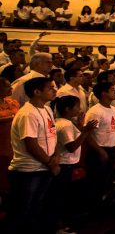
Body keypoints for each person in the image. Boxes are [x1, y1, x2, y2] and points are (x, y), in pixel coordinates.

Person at [8, 76, 59, 233]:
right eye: (50, 88)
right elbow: (31, 144)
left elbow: (52, 135)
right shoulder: (27, 113)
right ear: (37, 92)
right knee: (23, 211)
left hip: (44, 166)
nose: (54, 90)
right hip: (29, 170)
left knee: (37, 207)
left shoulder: (47, 108)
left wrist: (55, 158)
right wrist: (51, 162)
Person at [54, 95, 97, 230]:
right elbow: (71, 147)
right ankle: (60, 226)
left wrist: (80, 126)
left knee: (66, 195)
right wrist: (85, 131)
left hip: (67, 164)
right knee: (62, 196)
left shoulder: (64, 122)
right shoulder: (65, 125)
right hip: (64, 164)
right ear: (67, 109)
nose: (79, 108)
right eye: (77, 106)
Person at [84, 81, 115, 205]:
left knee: (107, 179)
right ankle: (94, 206)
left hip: (111, 149)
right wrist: (100, 151)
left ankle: (105, 205)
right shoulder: (95, 111)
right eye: (112, 90)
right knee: (96, 180)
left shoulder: (113, 109)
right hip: (98, 150)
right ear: (104, 94)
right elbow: (87, 134)